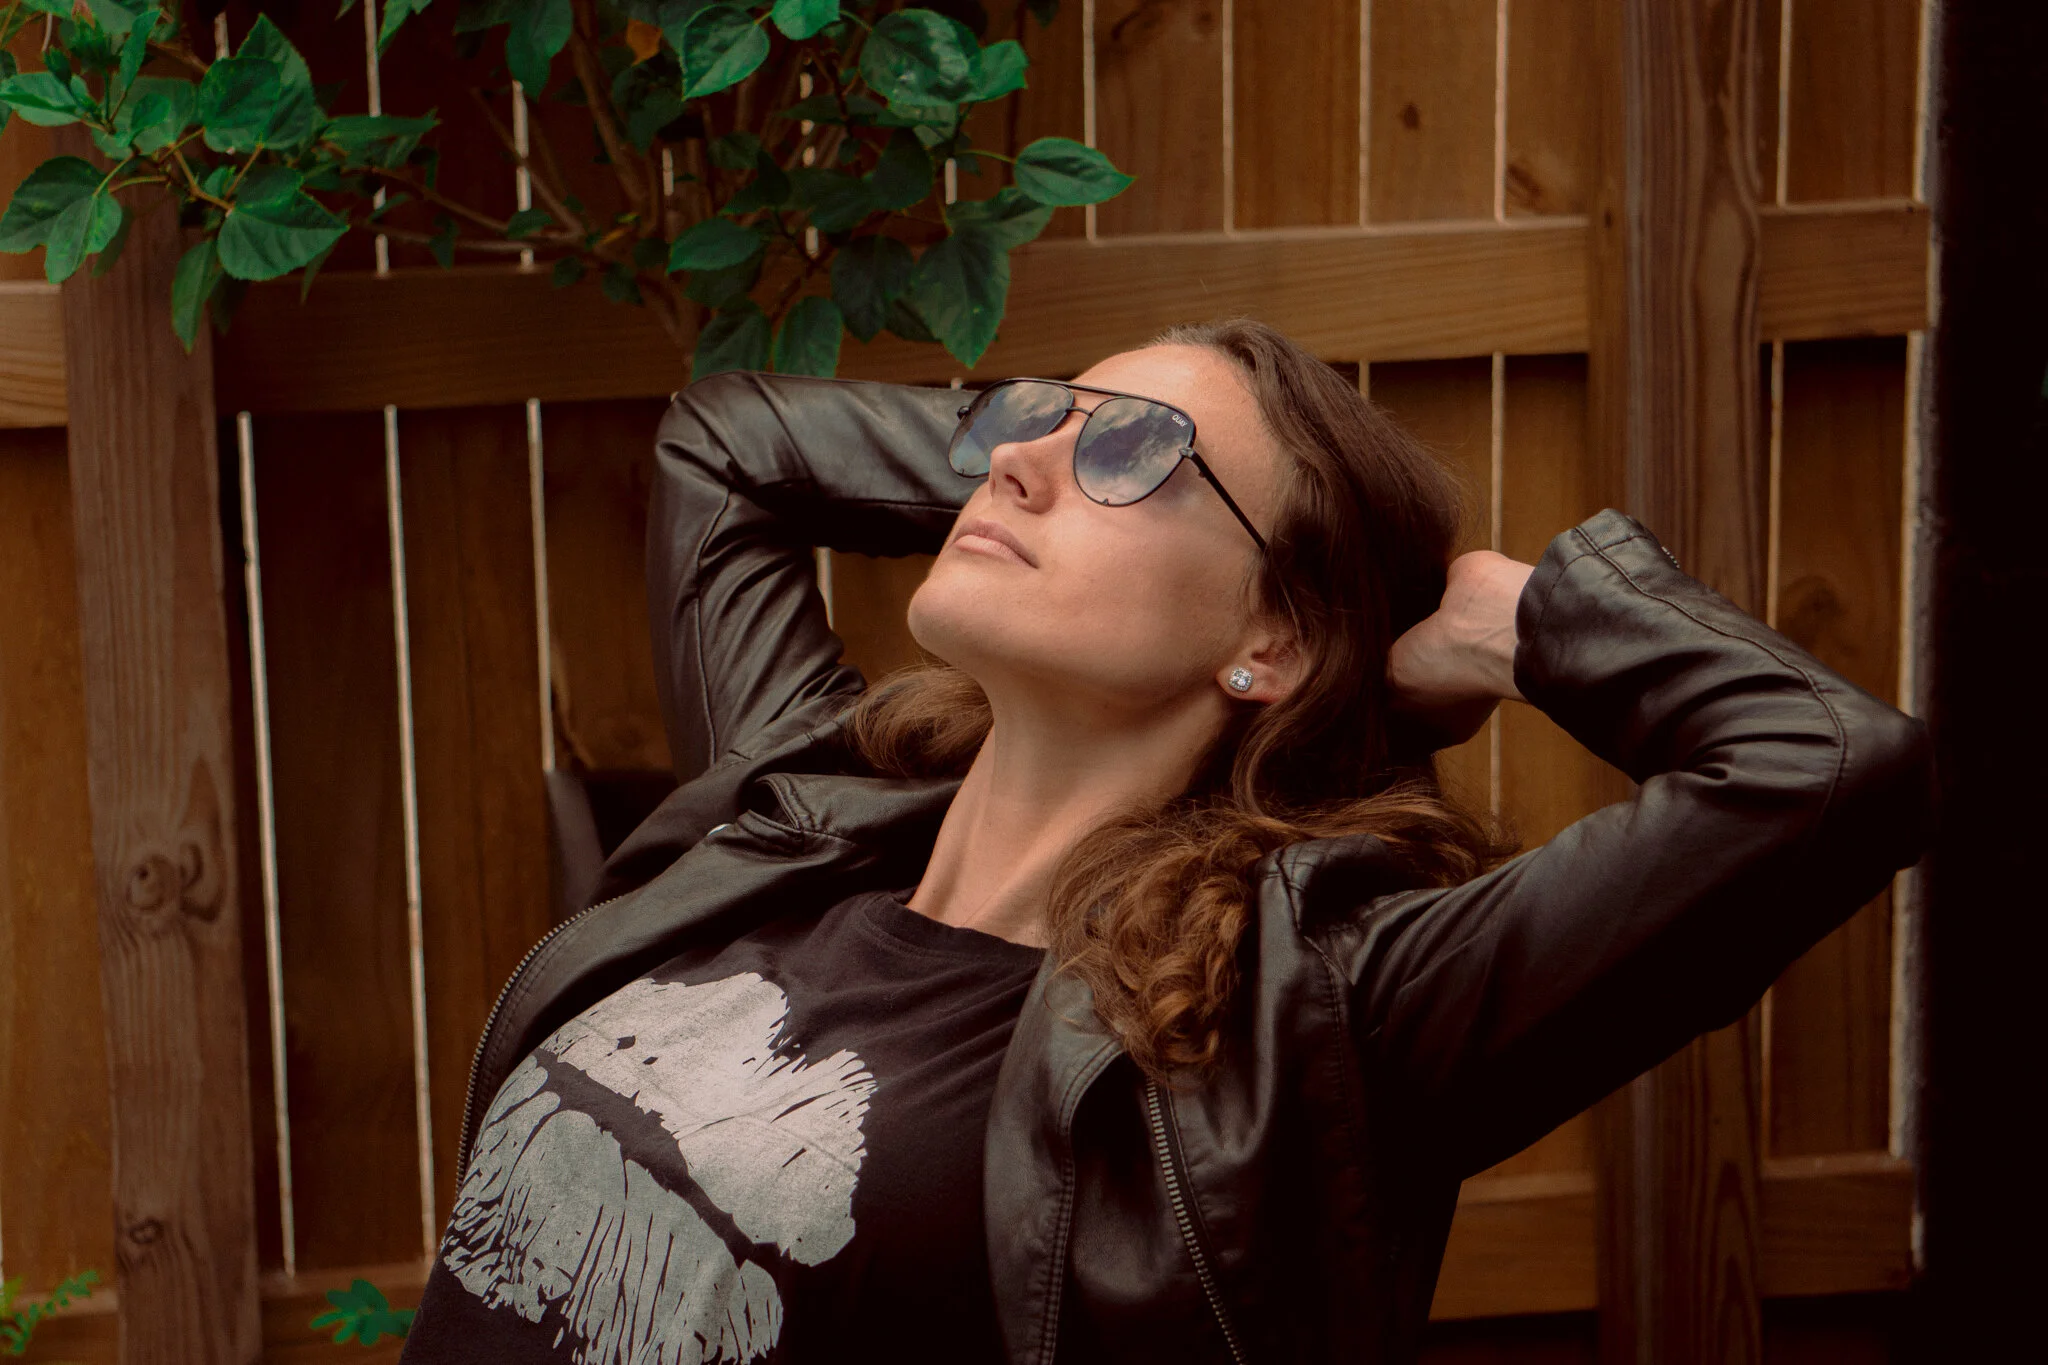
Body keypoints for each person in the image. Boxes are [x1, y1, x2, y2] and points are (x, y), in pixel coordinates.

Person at [396, 319, 1930, 1365]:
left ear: (1272, 638)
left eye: (1133, 453)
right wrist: (1063, 451)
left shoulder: (1305, 1027)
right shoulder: (798, 797)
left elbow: (1827, 765)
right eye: (1030, 421)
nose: (1014, 462)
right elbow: (732, 442)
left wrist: (1512, 618)